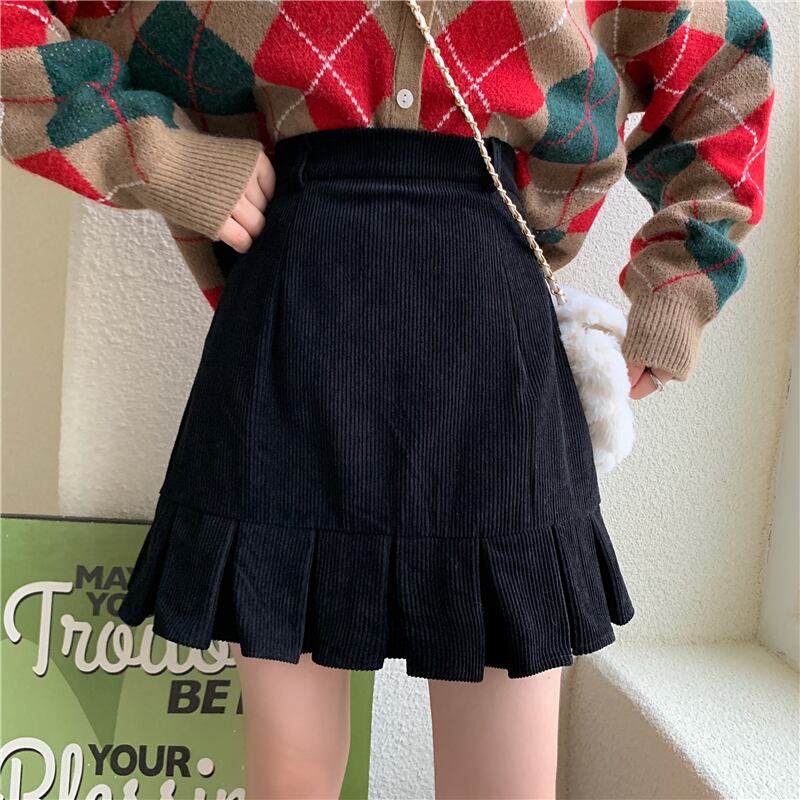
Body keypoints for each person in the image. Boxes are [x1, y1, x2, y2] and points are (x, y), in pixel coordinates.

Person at [1, 1, 773, 797]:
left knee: (503, 780)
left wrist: (681, 288)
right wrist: (155, 157)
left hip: (493, 359)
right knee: (290, 774)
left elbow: (726, 68)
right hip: (291, 344)